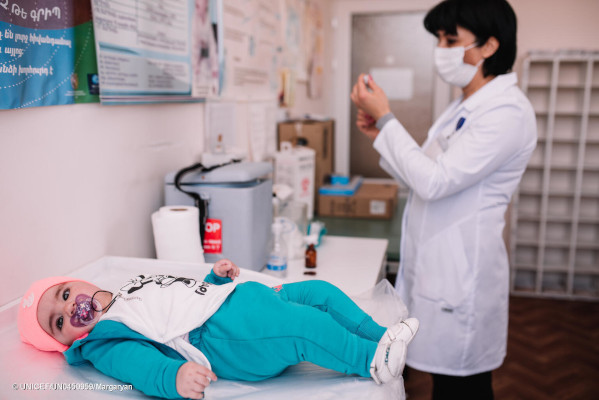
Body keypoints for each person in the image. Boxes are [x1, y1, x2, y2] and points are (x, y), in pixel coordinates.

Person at [350, 0, 536, 399]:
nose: (441, 48)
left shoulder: (507, 112)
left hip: (462, 273)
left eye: (452, 39)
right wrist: (380, 134)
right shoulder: (462, 107)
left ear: (489, 46)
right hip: (438, 264)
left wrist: (387, 119)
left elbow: (435, 181)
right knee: (445, 384)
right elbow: (425, 179)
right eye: (438, 38)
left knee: (463, 387)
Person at [18, 259, 419, 399]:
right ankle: (371, 361)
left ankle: (378, 334)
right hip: (222, 337)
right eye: (58, 321)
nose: (71, 307)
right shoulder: (102, 340)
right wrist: (173, 377)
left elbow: (178, 298)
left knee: (320, 292)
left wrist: (213, 280)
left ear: (79, 283)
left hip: (235, 300)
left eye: (66, 293)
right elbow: (136, 366)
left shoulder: (126, 290)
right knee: (302, 328)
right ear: (65, 342)